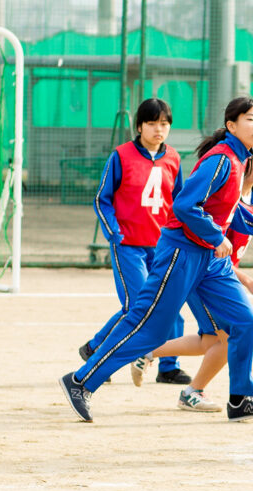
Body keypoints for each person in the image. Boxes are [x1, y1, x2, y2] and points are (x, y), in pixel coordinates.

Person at [59, 97, 253, 423]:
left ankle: (240, 399)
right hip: (182, 253)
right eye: (249, 119)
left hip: (209, 261)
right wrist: (217, 238)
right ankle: (80, 382)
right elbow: (185, 206)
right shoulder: (221, 159)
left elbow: (225, 210)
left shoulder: (239, 160)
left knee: (244, 321)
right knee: (150, 329)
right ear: (231, 126)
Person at [129, 142, 253, 413]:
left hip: (221, 276)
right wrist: (249, 283)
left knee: (211, 340)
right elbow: (212, 253)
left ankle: (150, 353)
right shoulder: (223, 199)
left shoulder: (252, 199)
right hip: (206, 274)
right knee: (227, 337)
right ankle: (196, 391)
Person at [77, 98, 190, 385]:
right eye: (152, 123)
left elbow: (179, 203)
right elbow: (102, 199)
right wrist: (114, 233)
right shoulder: (122, 155)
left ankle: (168, 366)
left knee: (171, 302)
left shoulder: (173, 159)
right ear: (139, 126)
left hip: (163, 246)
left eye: (164, 124)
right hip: (128, 246)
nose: (158, 129)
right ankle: (97, 354)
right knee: (136, 307)